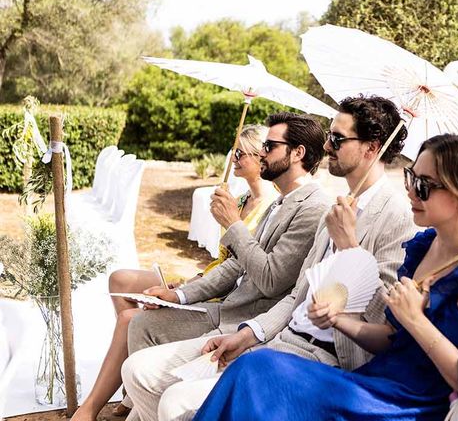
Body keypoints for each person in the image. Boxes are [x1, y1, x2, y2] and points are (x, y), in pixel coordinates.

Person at [193, 134, 458, 421]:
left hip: (413, 408)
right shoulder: (425, 247)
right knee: (256, 368)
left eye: (425, 186)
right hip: (372, 385)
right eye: (411, 177)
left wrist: (418, 322)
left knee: (262, 374)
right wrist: (340, 320)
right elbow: (392, 340)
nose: (410, 191)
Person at [122, 95, 418, 421]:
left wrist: (349, 246)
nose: (328, 146)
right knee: (138, 371)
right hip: (278, 337)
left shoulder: (396, 219)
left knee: (176, 402)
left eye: (337, 138)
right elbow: (297, 295)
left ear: (371, 147)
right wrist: (247, 334)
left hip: (325, 359)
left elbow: (379, 319)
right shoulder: (337, 207)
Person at [70, 125, 279, 421]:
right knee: (121, 281)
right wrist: (187, 284)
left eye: (241, 153)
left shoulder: (270, 207)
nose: (234, 159)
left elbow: (243, 268)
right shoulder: (242, 200)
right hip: (208, 277)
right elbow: (224, 261)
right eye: (234, 152)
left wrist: (189, 289)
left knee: (132, 319)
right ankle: (128, 392)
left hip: (225, 297)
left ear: (261, 158)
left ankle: (100, 404)